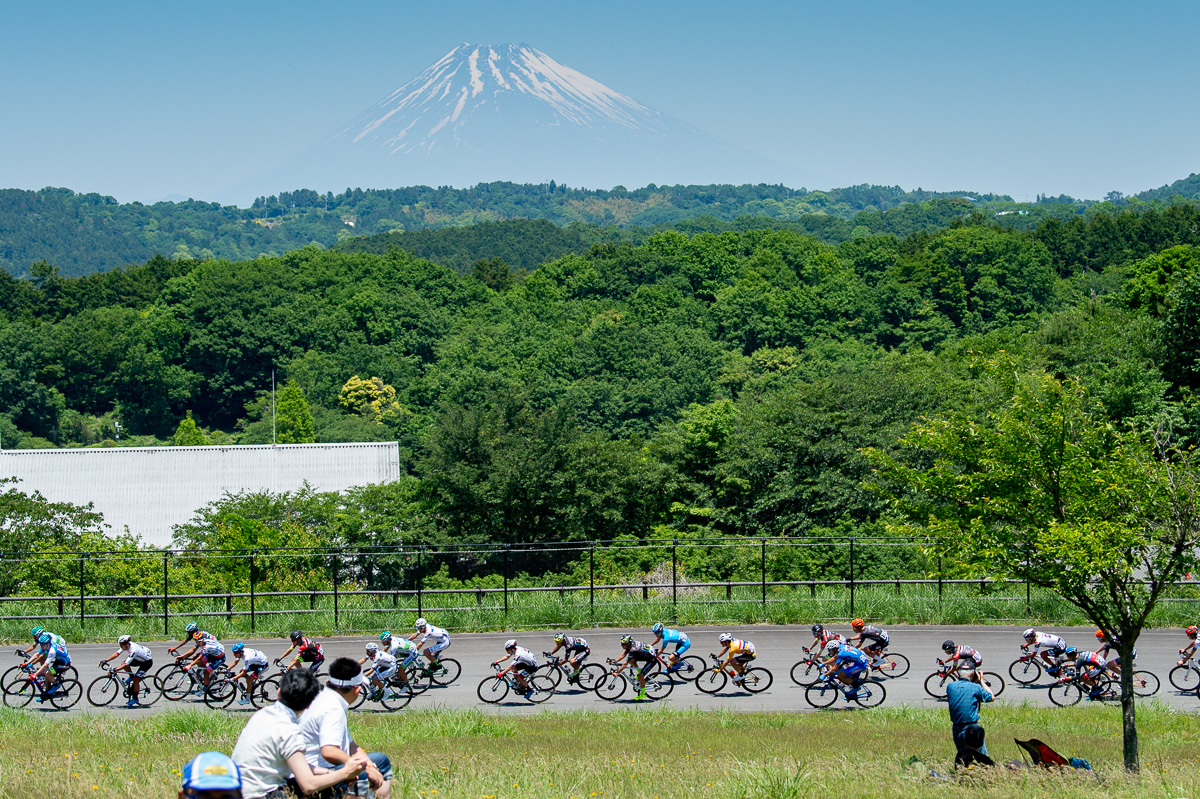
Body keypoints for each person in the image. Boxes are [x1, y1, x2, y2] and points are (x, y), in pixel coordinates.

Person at [231, 668, 369, 799]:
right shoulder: (289, 731)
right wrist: (345, 773)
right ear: (310, 704)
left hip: (236, 791)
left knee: (334, 775)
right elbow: (308, 786)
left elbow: (300, 765)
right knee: (343, 781)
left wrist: (330, 772)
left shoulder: (260, 715)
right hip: (263, 795)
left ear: (279, 692)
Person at [298, 657, 393, 799]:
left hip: (311, 767)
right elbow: (329, 751)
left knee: (380, 760)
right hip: (314, 773)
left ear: (328, 681)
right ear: (357, 689)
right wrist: (363, 767)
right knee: (359, 772)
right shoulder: (333, 708)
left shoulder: (327, 698)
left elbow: (350, 745)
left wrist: (370, 765)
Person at [946, 671, 995, 767]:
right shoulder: (975, 687)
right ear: (973, 673)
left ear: (959, 673)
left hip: (956, 727)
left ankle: (963, 774)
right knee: (982, 758)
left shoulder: (950, 686)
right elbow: (991, 697)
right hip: (971, 728)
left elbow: (964, 691)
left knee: (962, 757)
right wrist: (981, 681)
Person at [98, 635, 153, 708]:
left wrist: (115, 670)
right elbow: (116, 654)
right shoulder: (126, 645)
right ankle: (131, 676)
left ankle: (135, 698)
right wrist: (106, 660)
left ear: (126, 644)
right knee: (123, 664)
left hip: (147, 662)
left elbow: (126, 664)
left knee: (136, 680)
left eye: (121, 644)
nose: (120, 646)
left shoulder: (133, 650)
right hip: (139, 659)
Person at [612, 635, 657, 701]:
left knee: (641, 676)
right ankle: (639, 673)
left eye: (623, 644)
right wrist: (615, 661)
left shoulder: (633, 650)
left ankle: (643, 693)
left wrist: (618, 672)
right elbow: (623, 655)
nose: (621, 645)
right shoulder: (631, 644)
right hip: (647, 653)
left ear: (628, 644)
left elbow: (625, 664)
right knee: (631, 660)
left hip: (652, 659)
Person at [29, 632, 70, 700]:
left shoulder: (52, 651)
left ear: (47, 643)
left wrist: (35, 674)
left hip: (64, 664)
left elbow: (45, 664)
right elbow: (37, 654)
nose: (41, 646)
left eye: (42, 644)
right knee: (46, 673)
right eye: (40, 644)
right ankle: (46, 694)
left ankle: (56, 684)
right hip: (58, 661)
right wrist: (28, 663)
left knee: (47, 673)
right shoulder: (46, 646)